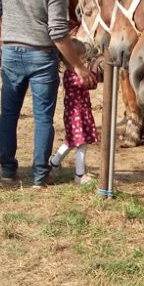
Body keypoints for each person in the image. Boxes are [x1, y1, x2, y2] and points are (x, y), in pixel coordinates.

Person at [0, 0, 97, 187]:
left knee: (8, 114)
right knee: (43, 117)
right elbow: (57, 32)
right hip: (42, 57)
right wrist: (78, 66)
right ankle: (39, 175)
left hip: (11, 52)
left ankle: (7, 170)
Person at [50, 44, 99, 183]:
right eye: (82, 57)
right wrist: (95, 66)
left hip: (78, 114)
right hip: (77, 115)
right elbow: (91, 83)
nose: (84, 60)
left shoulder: (72, 73)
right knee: (81, 144)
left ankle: (54, 163)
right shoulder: (72, 75)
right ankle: (79, 175)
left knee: (71, 142)